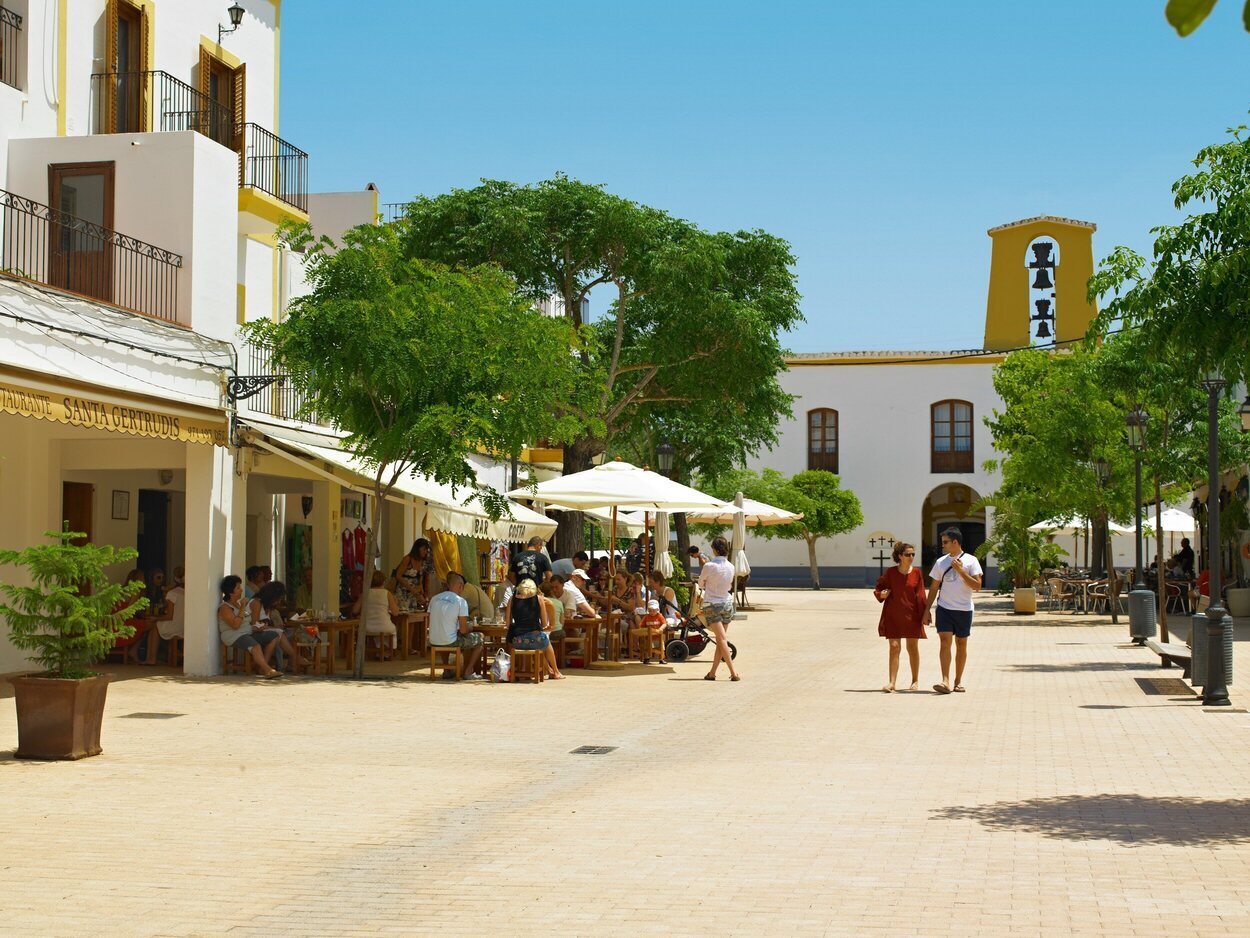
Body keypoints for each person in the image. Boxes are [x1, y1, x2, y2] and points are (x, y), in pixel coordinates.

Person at [922, 526, 984, 695]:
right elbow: (934, 588)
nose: (942, 545)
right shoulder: (941, 562)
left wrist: (961, 571)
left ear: (955, 542)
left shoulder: (972, 561)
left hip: (964, 609)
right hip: (944, 608)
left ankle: (958, 681)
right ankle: (945, 681)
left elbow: (977, 586)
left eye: (945, 542)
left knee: (961, 644)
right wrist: (927, 610)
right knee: (944, 643)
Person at [874, 541, 927, 693]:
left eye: (913, 554)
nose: (911, 557)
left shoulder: (917, 573)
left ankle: (915, 681)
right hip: (893, 614)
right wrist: (881, 594)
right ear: (899, 556)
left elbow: (921, 594)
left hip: (912, 615)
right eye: (907, 554)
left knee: (912, 647)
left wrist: (925, 612)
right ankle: (892, 683)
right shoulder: (890, 572)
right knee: (894, 647)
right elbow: (879, 587)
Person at [217, 575, 281, 678]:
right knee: (255, 646)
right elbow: (235, 625)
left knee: (274, 635)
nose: (241, 590)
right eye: (238, 588)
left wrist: (257, 627)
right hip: (234, 635)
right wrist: (242, 607)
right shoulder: (225, 607)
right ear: (230, 592)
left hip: (248, 632)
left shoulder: (238, 605)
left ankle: (260, 666)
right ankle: (267, 670)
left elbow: (248, 622)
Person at [428, 572, 485, 680]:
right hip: (451, 641)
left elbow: (431, 621)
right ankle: (468, 671)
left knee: (444, 635)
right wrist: (470, 626)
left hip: (433, 640)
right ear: (460, 586)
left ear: (448, 585)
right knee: (480, 638)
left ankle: (447, 670)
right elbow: (463, 630)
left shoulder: (434, 599)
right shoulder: (460, 601)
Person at [504, 578, 564, 680]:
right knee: (545, 642)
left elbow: (508, 623)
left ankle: (523, 669)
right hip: (536, 640)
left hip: (517, 641)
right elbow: (544, 623)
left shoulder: (512, 599)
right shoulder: (539, 599)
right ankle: (556, 672)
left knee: (540, 642)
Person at [698, 537, 740, 681]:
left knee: (721, 639)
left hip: (712, 604)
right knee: (721, 640)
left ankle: (733, 673)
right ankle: (712, 673)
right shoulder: (731, 566)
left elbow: (701, 583)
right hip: (727, 603)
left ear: (714, 549)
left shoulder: (709, 566)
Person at [248, 581, 310, 672]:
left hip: (262, 631)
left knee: (293, 633)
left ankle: (291, 662)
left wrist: (275, 627)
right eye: (278, 598)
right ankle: (296, 657)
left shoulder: (267, 607)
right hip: (251, 631)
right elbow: (255, 624)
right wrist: (274, 628)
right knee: (278, 634)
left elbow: (265, 625)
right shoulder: (256, 603)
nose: (278, 601)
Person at [352, 570, 399, 659]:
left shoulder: (365, 593)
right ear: (383, 581)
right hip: (384, 626)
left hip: (367, 626)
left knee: (376, 631)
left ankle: (378, 651)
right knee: (393, 628)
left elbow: (355, 610)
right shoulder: (387, 593)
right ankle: (389, 652)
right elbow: (395, 613)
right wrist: (395, 603)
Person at [395, 539, 434, 612]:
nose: (425, 552)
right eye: (424, 549)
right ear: (417, 548)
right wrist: (410, 588)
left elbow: (420, 578)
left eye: (426, 550)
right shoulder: (407, 559)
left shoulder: (422, 561)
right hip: (403, 592)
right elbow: (398, 575)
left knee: (414, 613)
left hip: (414, 593)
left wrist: (421, 592)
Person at [637, 598, 667, 664]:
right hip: (649, 636)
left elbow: (664, 623)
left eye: (654, 610)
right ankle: (647, 658)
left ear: (657, 610)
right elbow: (641, 624)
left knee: (662, 647)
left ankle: (661, 658)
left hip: (658, 635)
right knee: (647, 647)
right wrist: (642, 629)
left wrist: (661, 629)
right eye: (650, 610)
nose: (652, 612)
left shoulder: (659, 616)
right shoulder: (646, 617)